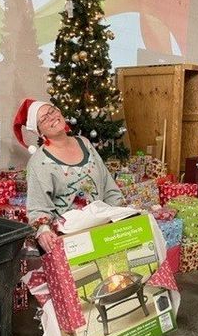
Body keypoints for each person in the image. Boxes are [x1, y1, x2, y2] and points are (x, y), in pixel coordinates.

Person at [13, 99, 123, 252]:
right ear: (39, 131)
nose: (51, 117)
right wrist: (43, 231)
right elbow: (38, 208)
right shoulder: (39, 162)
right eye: (44, 118)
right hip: (71, 242)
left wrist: (117, 216)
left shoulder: (85, 143)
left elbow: (108, 185)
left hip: (104, 231)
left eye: (52, 110)